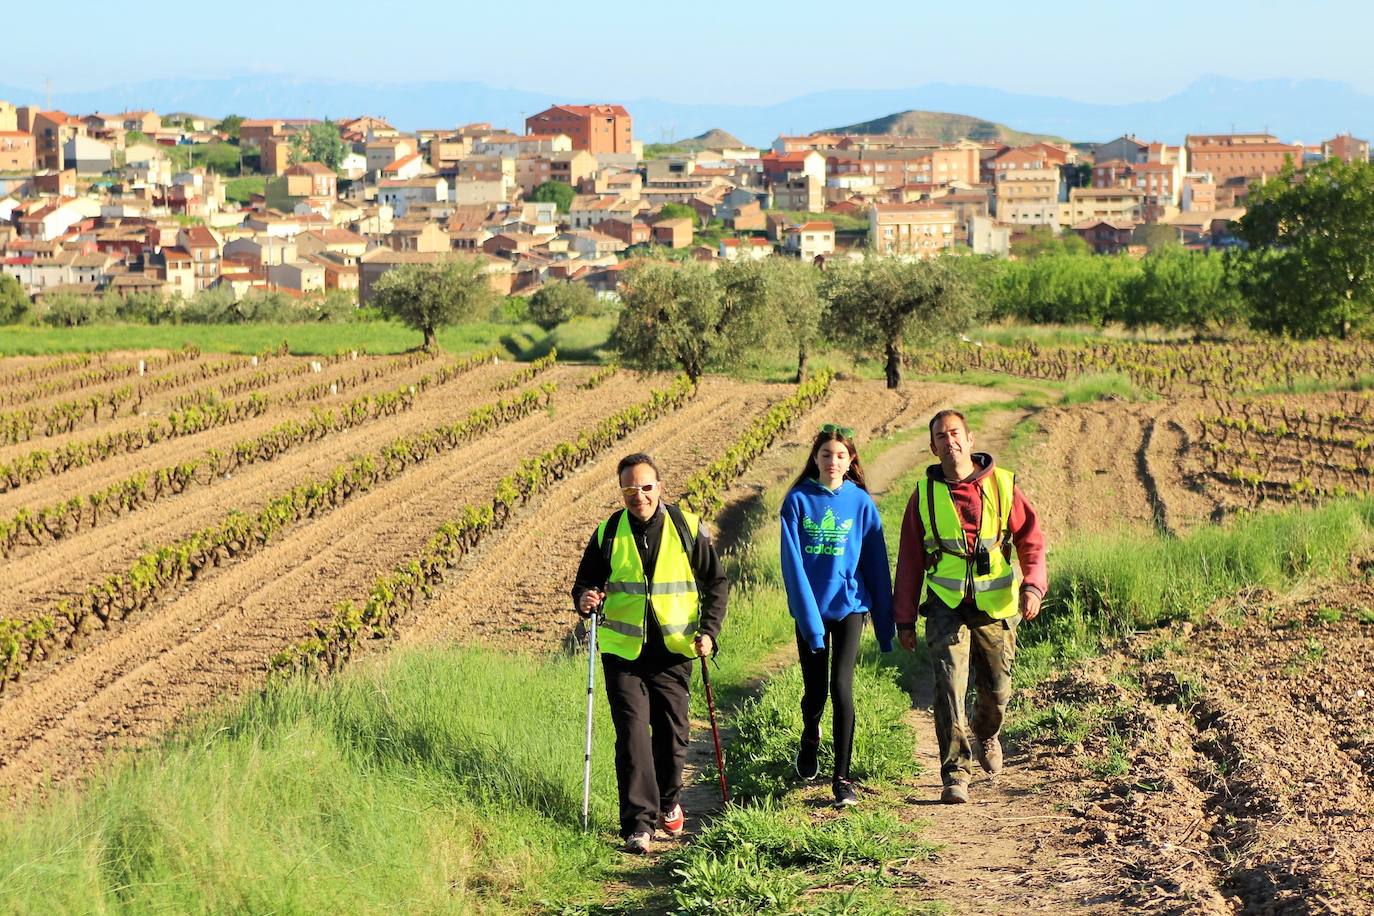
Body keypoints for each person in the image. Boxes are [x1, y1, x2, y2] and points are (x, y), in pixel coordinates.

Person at [571, 452, 729, 855]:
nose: (637, 495)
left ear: (659, 486)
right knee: (632, 735)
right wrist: (586, 598)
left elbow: (717, 584)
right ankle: (638, 825)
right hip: (623, 653)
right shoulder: (608, 532)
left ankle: (669, 801)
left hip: (675, 651)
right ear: (621, 491)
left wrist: (708, 632)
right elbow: (585, 583)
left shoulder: (687, 527)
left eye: (645, 486)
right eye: (629, 488)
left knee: (673, 738)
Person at [894, 409, 1047, 804]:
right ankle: (954, 774)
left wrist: (1033, 587)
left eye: (955, 433)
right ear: (933, 447)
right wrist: (905, 619)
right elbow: (910, 559)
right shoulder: (924, 495)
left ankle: (987, 733)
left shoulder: (1002, 485)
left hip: (995, 604)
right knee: (948, 686)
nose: (950, 441)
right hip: (945, 605)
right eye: (941, 437)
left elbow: (1031, 540)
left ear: (970, 438)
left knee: (996, 690)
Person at [779, 423, 894, 808]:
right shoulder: (797, 501)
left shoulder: (861, 503)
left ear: (851, 462)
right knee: (815, 692)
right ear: (815, 458)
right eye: (826, 454)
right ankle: (810, 733)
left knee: (841, 688)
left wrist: (885, 624)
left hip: (850, 607)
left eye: (840, 455)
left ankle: (842, 778)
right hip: (811, 610)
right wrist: (810, 624)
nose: (833, 461)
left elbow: (877, 563)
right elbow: (793, 568)